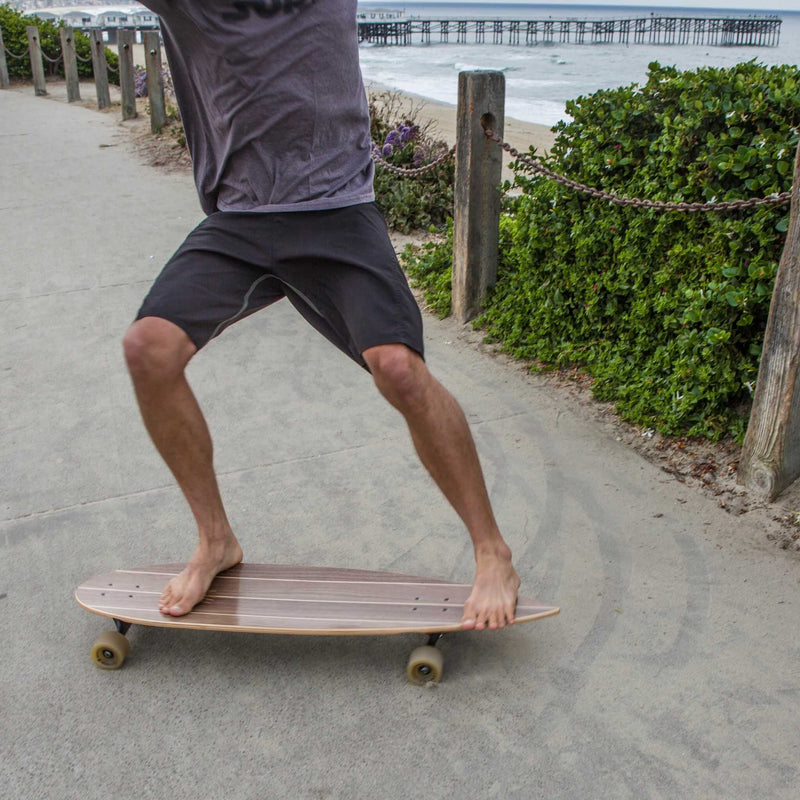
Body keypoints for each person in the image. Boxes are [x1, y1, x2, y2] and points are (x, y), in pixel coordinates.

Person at [123, 0, 520, 631]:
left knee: (399, 369)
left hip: (338, 214)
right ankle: (215, 541)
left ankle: (491, 550)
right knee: (149, 349)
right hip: (240, 219)